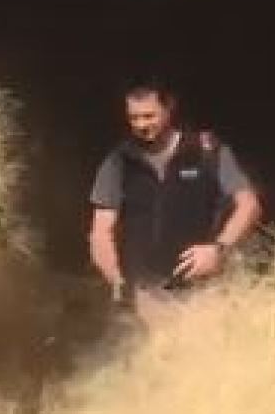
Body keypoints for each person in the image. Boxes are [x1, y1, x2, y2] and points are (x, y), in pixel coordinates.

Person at [86, 80, 263, 323]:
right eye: (134, 118)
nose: (141, 125)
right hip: (148, 295)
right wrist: (117, 283)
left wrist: (219, 250)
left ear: (169, 108)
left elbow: (249, 205)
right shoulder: (119, 162)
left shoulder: (206, 151)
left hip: (206, 292)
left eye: (149, 116)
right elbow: (100, 231)